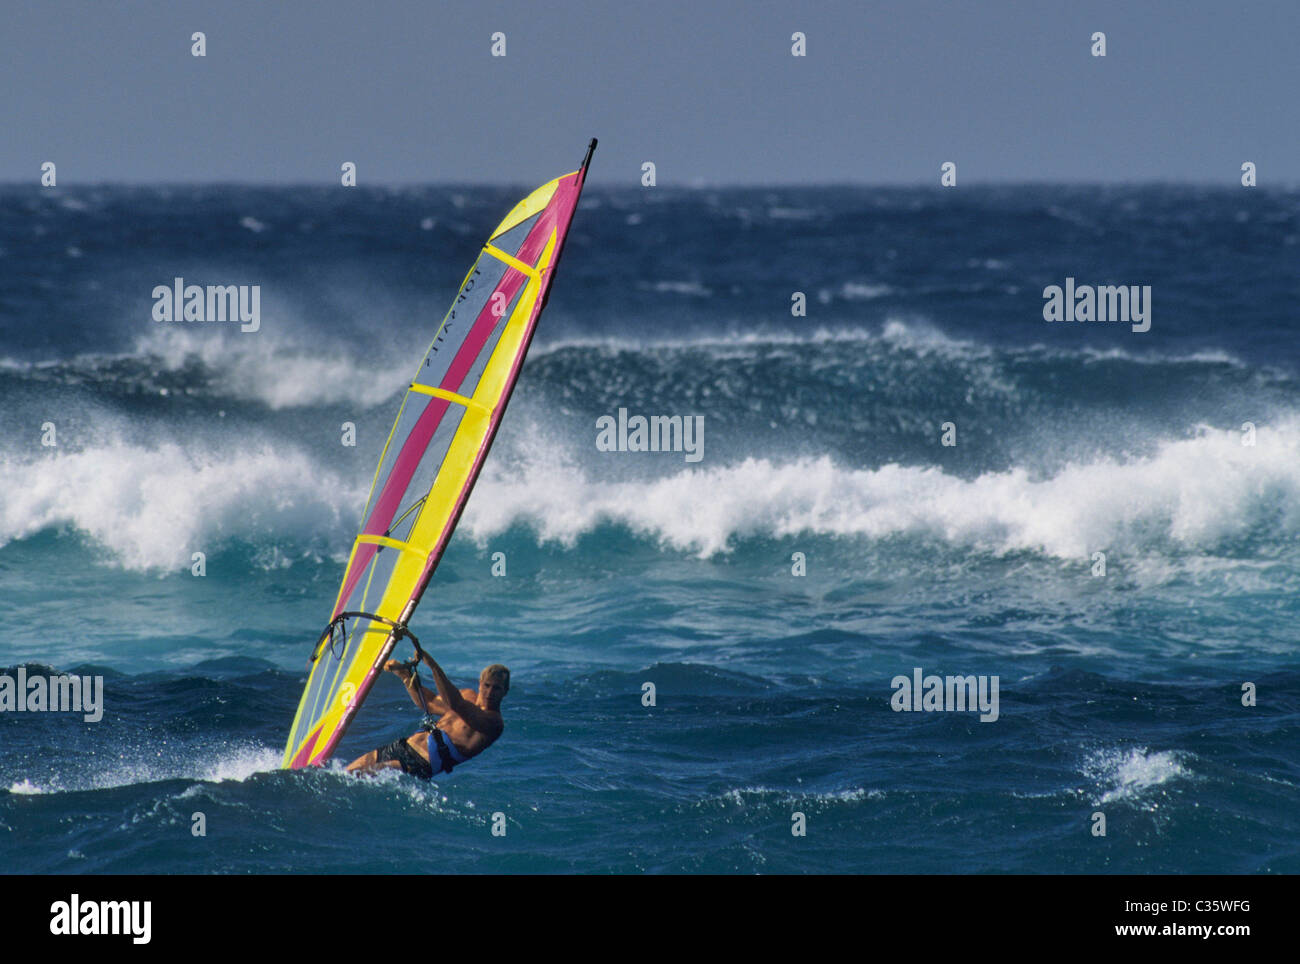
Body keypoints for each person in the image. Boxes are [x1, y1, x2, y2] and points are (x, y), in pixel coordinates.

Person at [346, 653, 508, 780]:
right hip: (402, 746)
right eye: (487, 685)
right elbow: (428, 702)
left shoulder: (494, 723)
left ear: (505, 692)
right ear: (480, 683)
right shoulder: (467, 694)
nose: (490, 692)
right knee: (346, 772)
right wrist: (405, 676)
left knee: (357, 776)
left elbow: (456, 705)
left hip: (419, 764)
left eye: (497, 688)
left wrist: (433, 666)